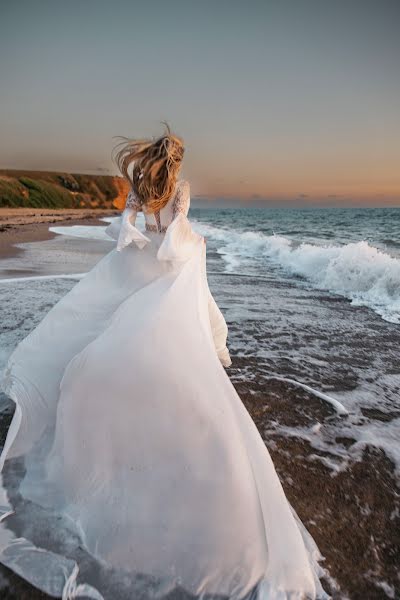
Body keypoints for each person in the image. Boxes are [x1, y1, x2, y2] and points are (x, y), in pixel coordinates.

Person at [0, 124, 327, 599]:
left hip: (139, 263)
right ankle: (209, 350)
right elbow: (178, 237)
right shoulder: (181, 190)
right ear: (175, 160)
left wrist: (144, 241)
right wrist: (187, 245)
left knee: (112, 338)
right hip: (167, 266)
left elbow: (125, 232)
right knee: (175, 318)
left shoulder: (139, 189)